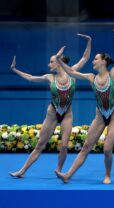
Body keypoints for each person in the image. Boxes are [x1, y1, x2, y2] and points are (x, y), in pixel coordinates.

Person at [9, 34, 92, 178]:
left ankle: (59, 170)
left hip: (67, 114)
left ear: (59, 62)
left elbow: (85, 58)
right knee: (40, 144)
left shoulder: (72, 73)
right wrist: (15, 69)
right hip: (52, 114)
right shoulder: (49, 77)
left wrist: (89, 42)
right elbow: (30, 78)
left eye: (52, 61)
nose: (49, 64)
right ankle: (22, 171)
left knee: (65, 145)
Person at [55, 29, 114, 184]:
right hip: (99, 116)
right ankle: (68, 175)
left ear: (103, 61)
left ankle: (107, 175)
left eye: (95, 59)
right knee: (86, 147)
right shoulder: (91, 77)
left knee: (107, 148)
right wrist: (59, 59)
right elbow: (71, 71)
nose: (93, 61)